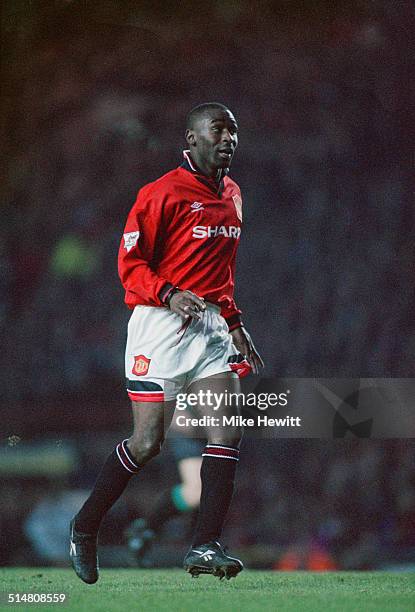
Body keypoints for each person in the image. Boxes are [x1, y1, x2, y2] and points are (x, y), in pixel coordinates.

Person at [70, 102, 264, 583]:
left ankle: (204, 546)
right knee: (148, 442)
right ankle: (86, 525)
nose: (228, 139)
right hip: (160, 325)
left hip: (211, 329)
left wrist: (235, 323)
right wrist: (170, 293)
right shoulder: (160, 193)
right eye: (218, 130)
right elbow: (130, 265)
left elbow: (222, 275)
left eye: (234, 131)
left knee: (227, 432)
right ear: (192, 138)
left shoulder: (234, 194)